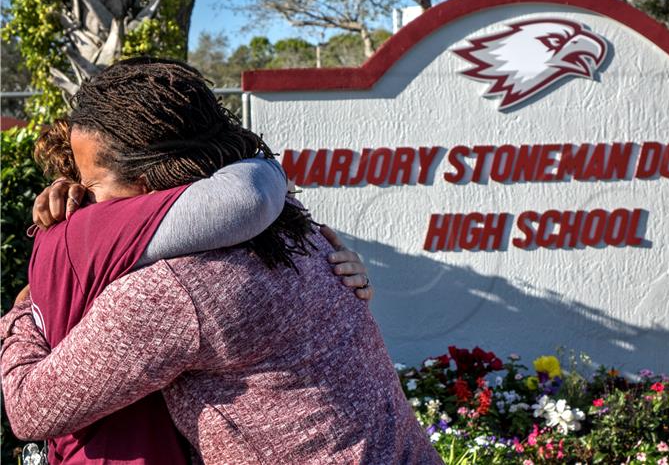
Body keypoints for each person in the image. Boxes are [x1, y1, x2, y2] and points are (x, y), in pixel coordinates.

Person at [2, 57, 441, 464]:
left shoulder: (169, 291)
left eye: (92, 184)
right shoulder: (292, 226)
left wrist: (25, 308)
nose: (86, 203)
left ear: (143, 182)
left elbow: (30, 409)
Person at [16, 119, 371, 463]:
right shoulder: (149, 275)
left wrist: (331, 277)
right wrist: (22, 313)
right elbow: (29, 409)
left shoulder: (190, 248)